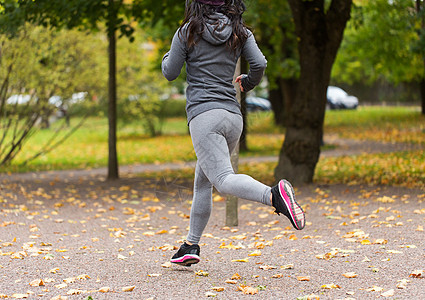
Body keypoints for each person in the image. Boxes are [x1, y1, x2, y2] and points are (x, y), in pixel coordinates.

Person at [162, 0, 305, 267]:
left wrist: (165, 58)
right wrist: (248, 83)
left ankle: (274, 196)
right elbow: (260, 63)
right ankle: (190, 246)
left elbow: (170, 72)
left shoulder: (188, 31)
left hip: (204, 116)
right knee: (202, 181)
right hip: (232, 117)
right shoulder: (240, 31)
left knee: (223, 179)